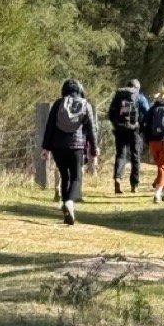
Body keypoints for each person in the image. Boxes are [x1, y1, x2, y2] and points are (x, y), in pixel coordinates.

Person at [41, 78, 99, 226]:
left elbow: (49, 127)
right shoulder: (86, 105)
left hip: (58, 147)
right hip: (77, 146)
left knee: (64, 176)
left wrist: (45, 148)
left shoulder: (58, 104)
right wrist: (94, 149)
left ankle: (66, 208)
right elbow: (92, 129)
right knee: (76, 177)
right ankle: (70, 202)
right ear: (79, 90)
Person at [107, 78, 150, 195]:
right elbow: (147, 112)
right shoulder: (140, 97)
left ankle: (118, 178)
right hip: (135, 130)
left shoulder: (119, 96)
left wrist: (117, 124)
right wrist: (141, 124)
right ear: (138, 88)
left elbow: (110, 113)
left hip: (120, 129)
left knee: (121, 154)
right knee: (135, 156)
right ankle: (134, 184)